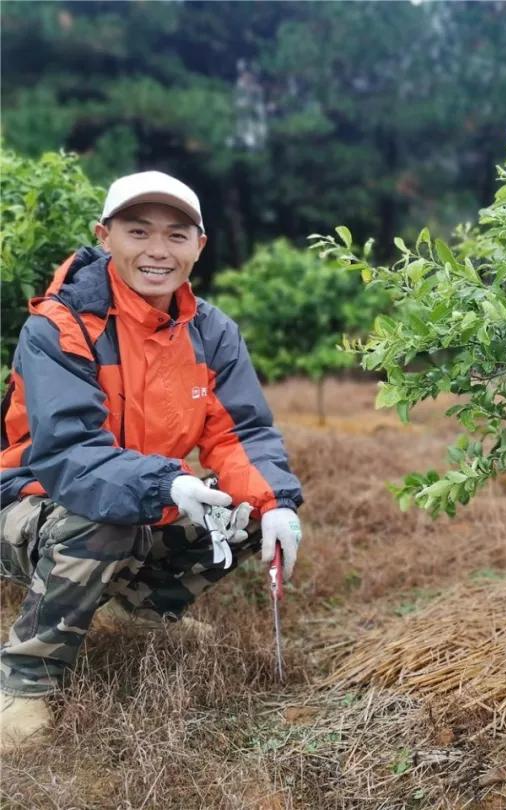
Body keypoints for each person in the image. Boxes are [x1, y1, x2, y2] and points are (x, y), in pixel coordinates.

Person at [0, 171, 304, 750]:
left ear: (199, 246)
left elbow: (241, 432)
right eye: (138, 231)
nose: (158, 251)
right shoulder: (60, 327)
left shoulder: (210, 331)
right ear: (105, 235)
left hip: (146, 492)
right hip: (32, 500)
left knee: (246, 512)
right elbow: (71, 457)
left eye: (176, 235)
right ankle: (26, 678)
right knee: (102, 517)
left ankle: (137, 611)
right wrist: (167, 482)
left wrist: (276, 504)